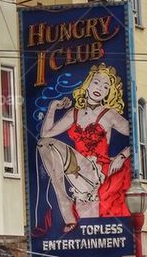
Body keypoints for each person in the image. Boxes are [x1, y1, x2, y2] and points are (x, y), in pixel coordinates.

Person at [36, 63, 132, 234]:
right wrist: (52, 107)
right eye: (96, 82)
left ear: (109, 92)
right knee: (44, 144)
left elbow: (137, 134)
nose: (100, 88)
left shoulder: (108, 114)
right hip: (77, 168)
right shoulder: (74, 113)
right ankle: (65, 204)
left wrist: (122, 156)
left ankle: (70, 205)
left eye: (105, 86)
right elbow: (45, 134)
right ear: (88, 83)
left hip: (99, 170)